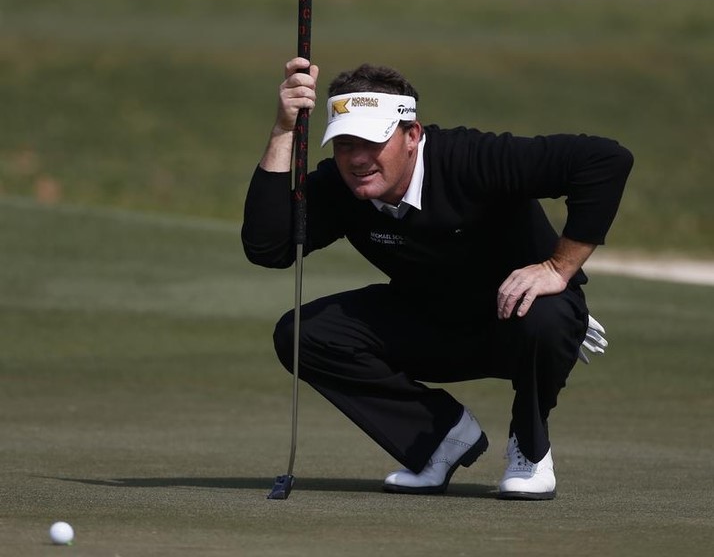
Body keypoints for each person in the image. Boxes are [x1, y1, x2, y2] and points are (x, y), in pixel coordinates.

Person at [241, 57, 633, 500]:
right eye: (345, 144)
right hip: (431, 321)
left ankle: (529, 446)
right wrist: (283, 130)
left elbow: (605, 161)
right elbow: (268, 247)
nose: (357, 159)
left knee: (547, 315)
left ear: (412, 135)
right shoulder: (342, 186)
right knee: (302, 334)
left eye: (372, 142)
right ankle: (438, 438)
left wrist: (557, 268)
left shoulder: (471, 159)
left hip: (519, 322)